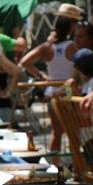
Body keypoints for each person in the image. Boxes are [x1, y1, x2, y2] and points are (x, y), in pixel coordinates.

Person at [19, 16, 77, 150]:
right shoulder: (72, 46)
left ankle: (56, 167)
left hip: (51, 91)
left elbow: (24, 62)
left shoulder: (47, 47)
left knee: (56, 133)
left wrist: (42, 76)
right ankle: (76, 165)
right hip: (68, 90)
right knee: (72, 132)